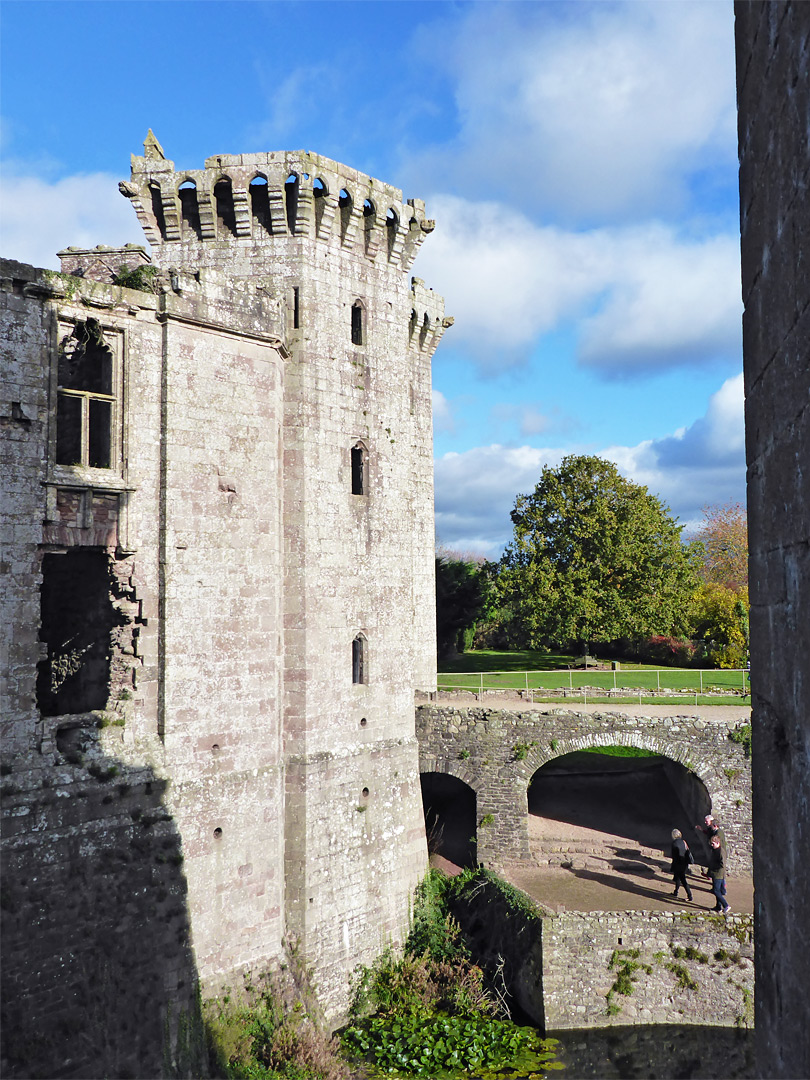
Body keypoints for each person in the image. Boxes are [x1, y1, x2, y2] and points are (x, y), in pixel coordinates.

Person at [705, 834, 731, 914]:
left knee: (716, 891)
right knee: (717, 890)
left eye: (713, 844)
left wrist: (713, 868)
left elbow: (722, 864)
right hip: (715, 873)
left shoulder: (721, 851)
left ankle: (726, 905)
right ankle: (718, 907)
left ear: (717, 842)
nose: (712, 845)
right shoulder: (715, 850)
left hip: (718, 874)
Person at [670, 828, 694, 901]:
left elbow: (674, 855)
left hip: (678, 864)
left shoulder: (674, 843)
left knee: (682, 880)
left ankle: (690, 895)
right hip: (684, 863)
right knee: (678, 878)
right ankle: (676, 891)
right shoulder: (683, 842)